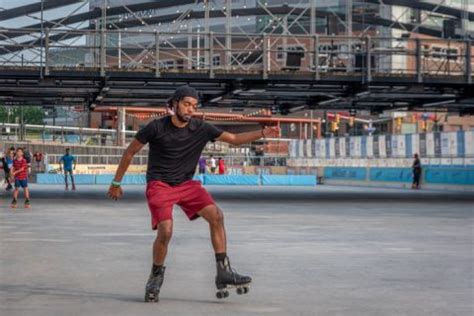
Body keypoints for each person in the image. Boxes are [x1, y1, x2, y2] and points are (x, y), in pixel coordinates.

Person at [107, 85, 280, 302]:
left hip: (187, 185)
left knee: (216, 216)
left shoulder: (201, 128)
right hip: (159, 185)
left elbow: (234, 139)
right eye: (187, 104)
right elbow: (130, 151)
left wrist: (262, 133)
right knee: (166, 231)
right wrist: (116, 182)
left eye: (194, 106)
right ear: (175, 104)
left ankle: (223, 270)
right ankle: (155, 277)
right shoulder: (156, 127)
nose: (191, 109)